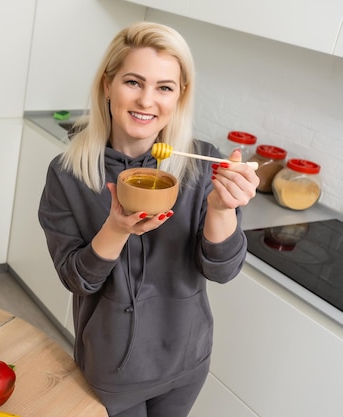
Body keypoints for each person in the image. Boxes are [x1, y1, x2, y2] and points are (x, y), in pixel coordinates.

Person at [38, 22, 259, 417]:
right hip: (111, 366)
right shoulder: (68, 173)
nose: (146, 101)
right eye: (133, 82)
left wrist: (222, 210)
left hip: (186, 361)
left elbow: (223, 270)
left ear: (180, 95)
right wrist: (116, 228)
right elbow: (76, 279)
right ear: (108, 85)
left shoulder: (202, 163)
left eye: (164, 87)